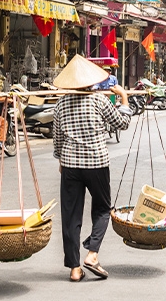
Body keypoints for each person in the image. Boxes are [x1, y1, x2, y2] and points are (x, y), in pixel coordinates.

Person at [52, 55, 132, 282]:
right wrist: (124, 97)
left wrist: (60, 159)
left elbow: (57, 139)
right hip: (96, 163)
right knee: (103, 209)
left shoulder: (60, 104)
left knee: (70, 216)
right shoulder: (99, 100)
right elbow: (122, 123)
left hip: (70, 165)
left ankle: (74, 269)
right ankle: (93, 254)